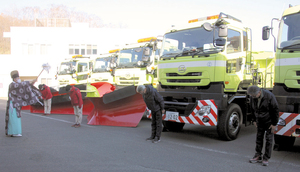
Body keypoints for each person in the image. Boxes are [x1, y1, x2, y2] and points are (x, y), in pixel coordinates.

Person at [247, 85, 279, 166]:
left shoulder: (269, 96)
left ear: (259, 92)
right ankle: (258, 155)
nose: (252, 97)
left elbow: (275, 110)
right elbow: (252, 109)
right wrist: (254, 120)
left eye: (254, 96)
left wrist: (274, 124)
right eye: (251, 96)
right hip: (259, 120)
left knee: (269, 139)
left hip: (269, 121)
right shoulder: (253, 97)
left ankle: (266, 158)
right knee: (259, 138)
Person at [5, 70, 41, 137]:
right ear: (14, 79)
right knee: (14, 118)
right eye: (17, 78)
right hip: (13, 104)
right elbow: (22, 85)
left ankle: (15, 132)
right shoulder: (12, 85)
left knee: (16, 118)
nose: (18, 79)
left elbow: (23, 86)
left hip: (16, 104)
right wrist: (31, 81)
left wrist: (31, 83)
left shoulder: (16, 84)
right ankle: (14, 132)